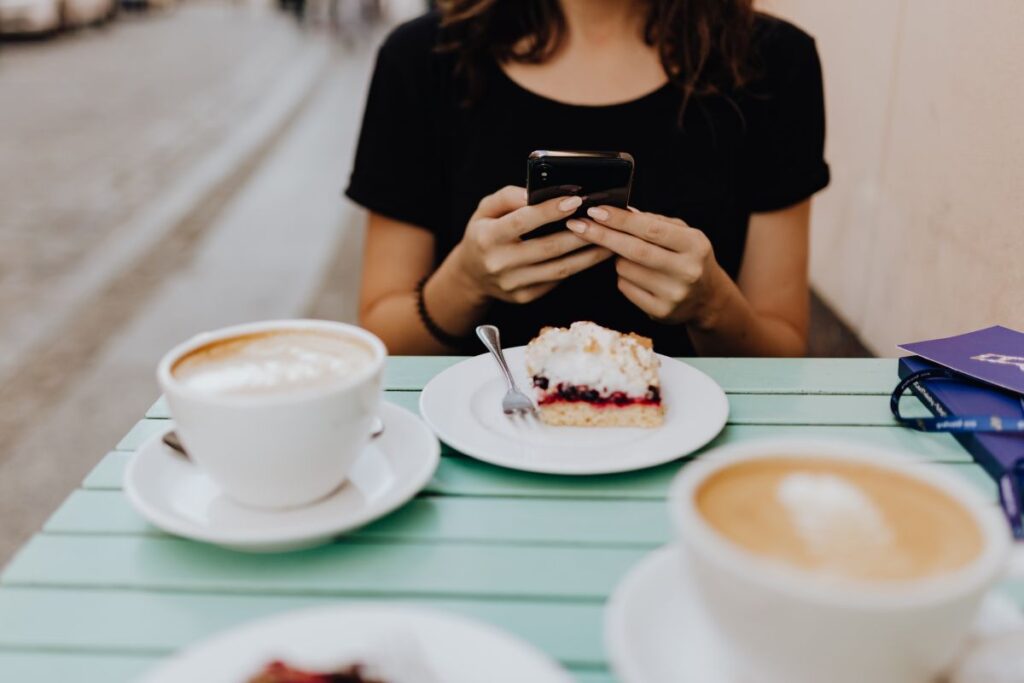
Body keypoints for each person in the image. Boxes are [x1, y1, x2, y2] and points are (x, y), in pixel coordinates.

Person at [346, 0, 830, 357]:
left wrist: (712, 307)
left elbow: (782, 352)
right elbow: (384, 338)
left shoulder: (774, 63)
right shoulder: (422, 59)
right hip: (476, 448)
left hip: (688, 452)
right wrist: (464, 282)